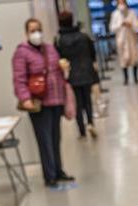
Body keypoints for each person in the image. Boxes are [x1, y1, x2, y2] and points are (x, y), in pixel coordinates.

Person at [12, 18, 74, 186]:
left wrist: (64, 69)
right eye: (32, 30)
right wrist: (25, 98)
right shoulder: (22, 52)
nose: (36, 33)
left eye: (38, 29)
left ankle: (58, 170)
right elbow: (19, 79)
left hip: (56, 100)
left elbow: (57, 71)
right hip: (38, 103)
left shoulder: (50, 49)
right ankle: (50, 175)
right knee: (44, 140)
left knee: (55, 138)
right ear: (26, 33)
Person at [55, 11, 99, 139]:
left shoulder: (60, 41)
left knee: (77, 103)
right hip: (86, 72)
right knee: (88, 100)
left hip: (71, 75)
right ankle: (91, 123)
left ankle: (81, 130)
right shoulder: (83, 36)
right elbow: (92, 53)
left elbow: (59, 58)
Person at [108, 0, 138, 85]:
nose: (122, 5)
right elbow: (112, 27)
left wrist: (130, 24)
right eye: (120, 3)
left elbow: (137, 24)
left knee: (134, 59)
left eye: (123, 2)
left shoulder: (132, 13)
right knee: (123, 60)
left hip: (131, 40)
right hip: (121, 40)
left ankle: (136, 78)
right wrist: (120, 24)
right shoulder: (115, 14)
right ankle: (126, 78)